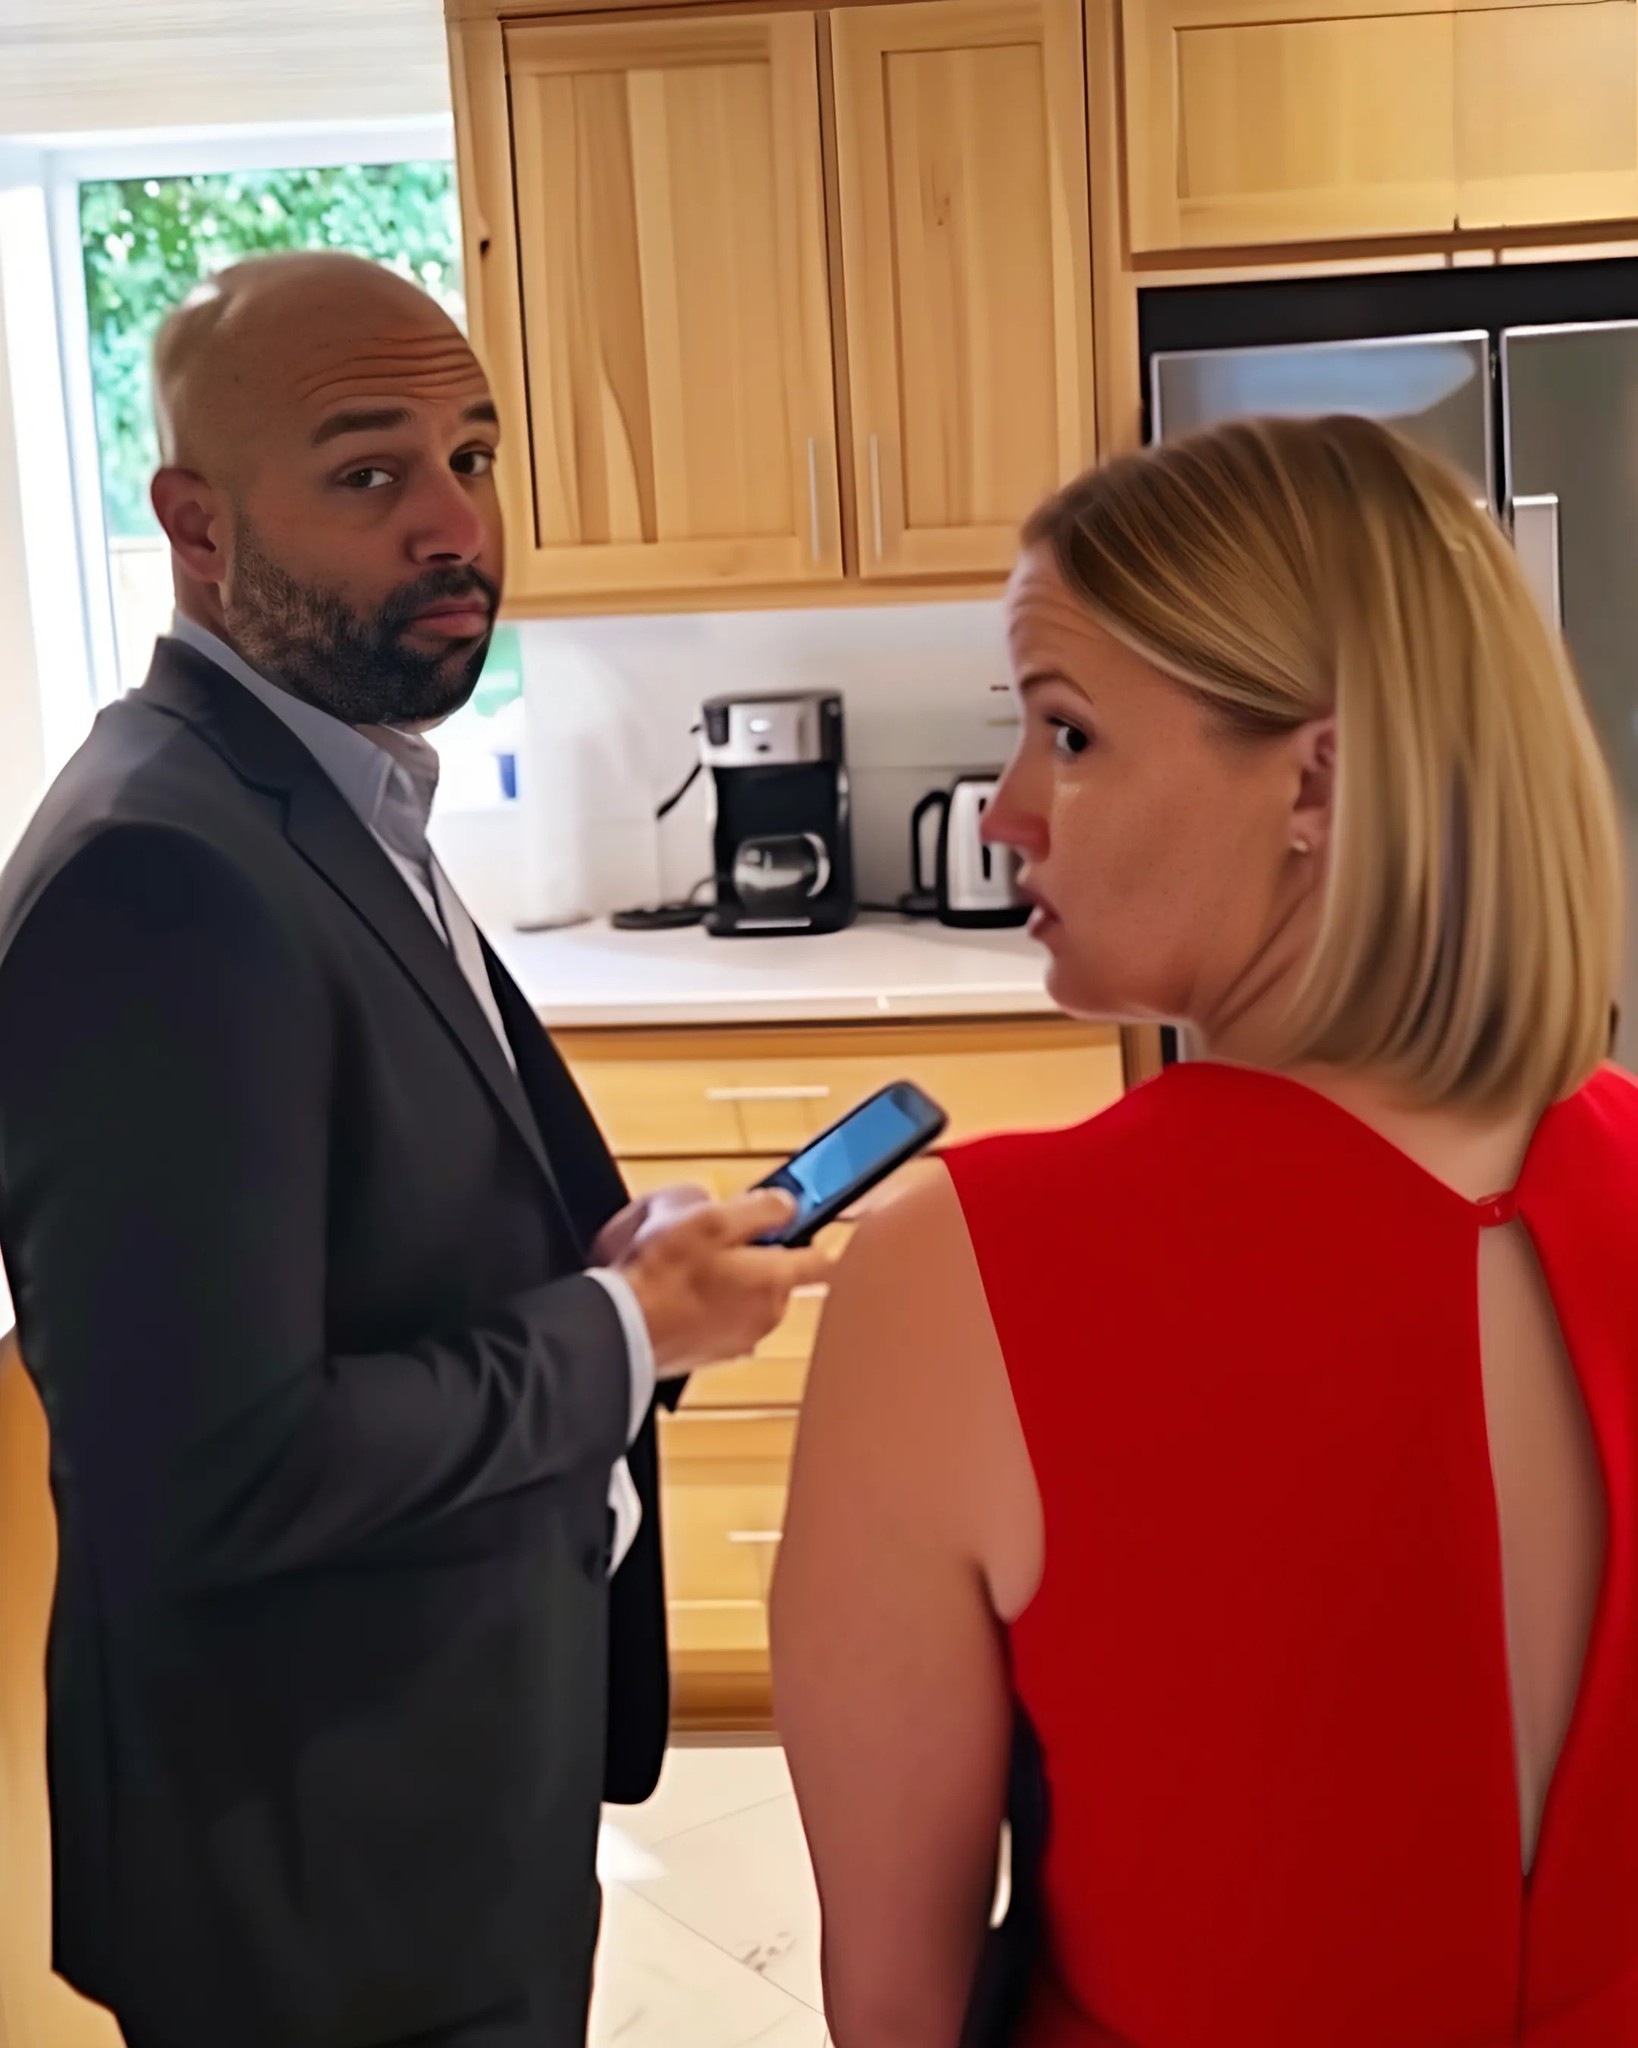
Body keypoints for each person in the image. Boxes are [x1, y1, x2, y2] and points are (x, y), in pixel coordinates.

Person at [0, 251, 831, 2048]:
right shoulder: (159, 874)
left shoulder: (323, 789)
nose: (456, 521)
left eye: (473, 454)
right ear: (197, 527)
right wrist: (625, 1335)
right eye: (370, 472)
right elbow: (214, 1473)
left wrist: (594, 1276)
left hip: (425, 1801)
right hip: (319, 1885)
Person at [772, 415, 1638, 2048]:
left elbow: (895, 2004)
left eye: (1068, 733)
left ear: (1311, 781)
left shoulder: (960, 1273)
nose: (1005, 811)